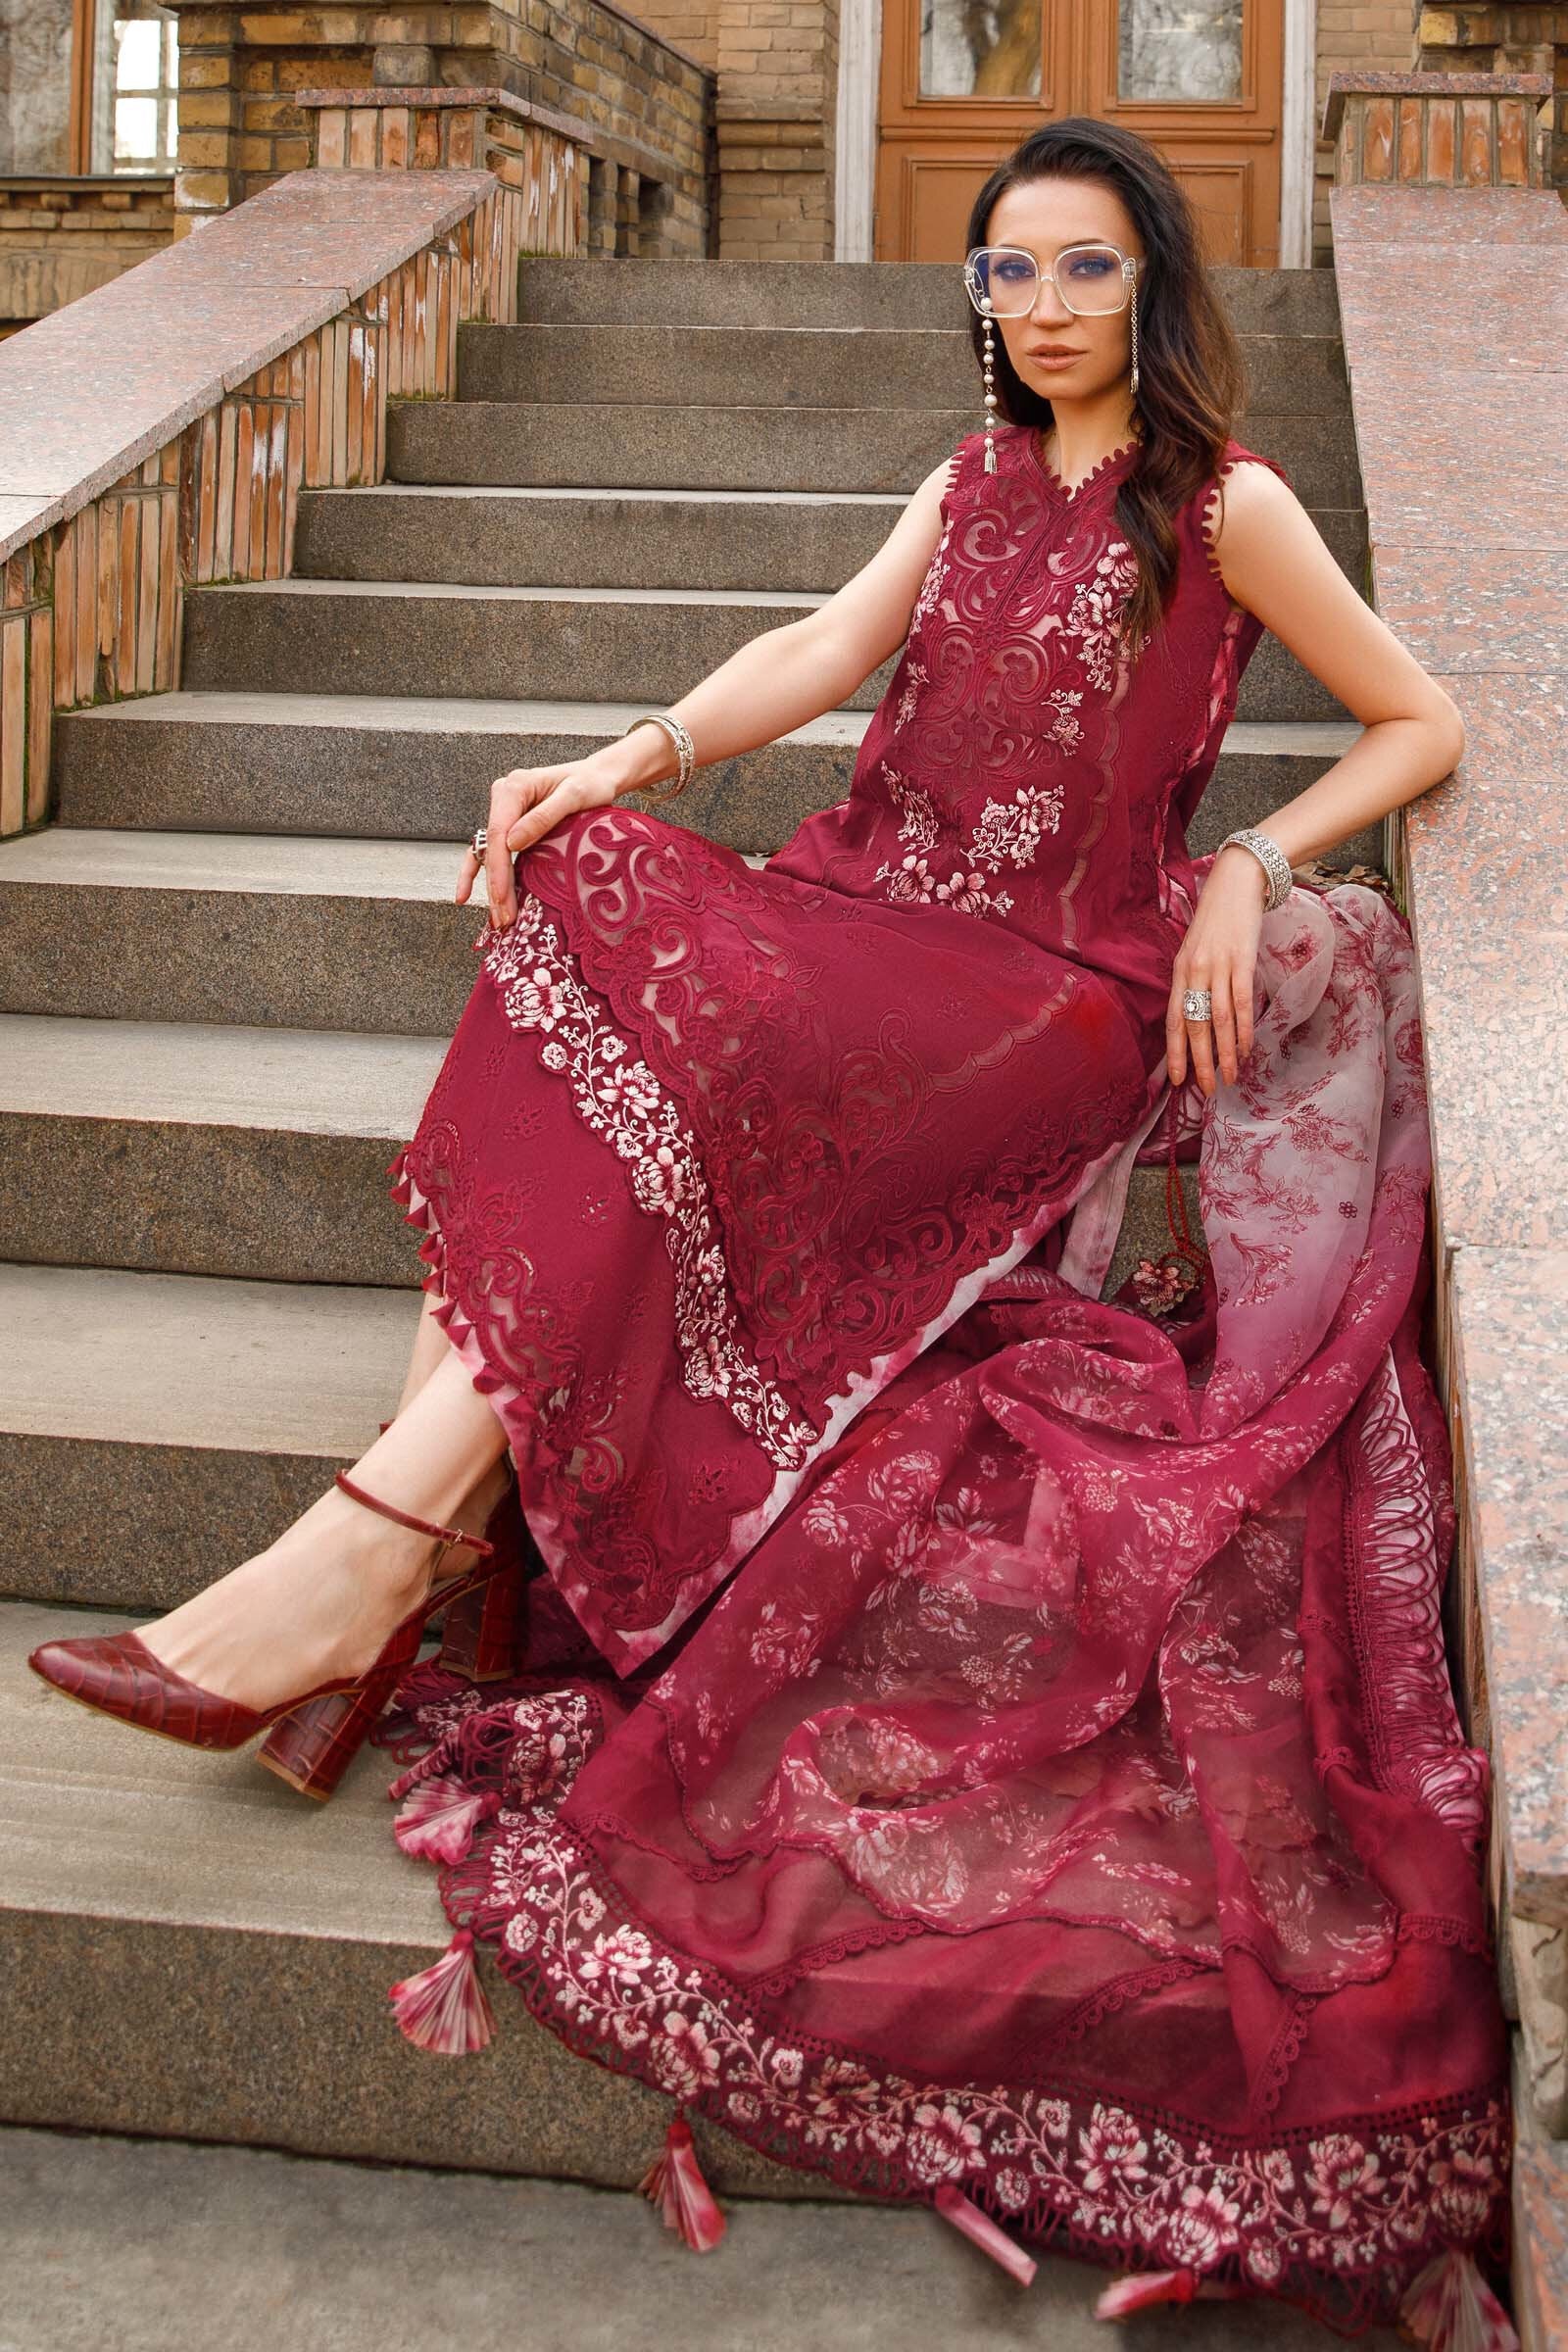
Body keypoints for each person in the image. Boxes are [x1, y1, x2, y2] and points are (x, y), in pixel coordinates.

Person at [28, 118, 1516, 2346]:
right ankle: (395, 1531)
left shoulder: (1223, 505)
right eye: (1007, 272)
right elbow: (818, 656)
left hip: (1048, 985)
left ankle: (374, 1549)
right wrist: (619, 757)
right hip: (862, 906)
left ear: (1152, 283)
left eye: (1083, 269)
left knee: (701, 1035)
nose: (1040, 307)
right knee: (592, 883)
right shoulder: (965, 479)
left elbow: (1422, 718)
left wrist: (1245, 861)